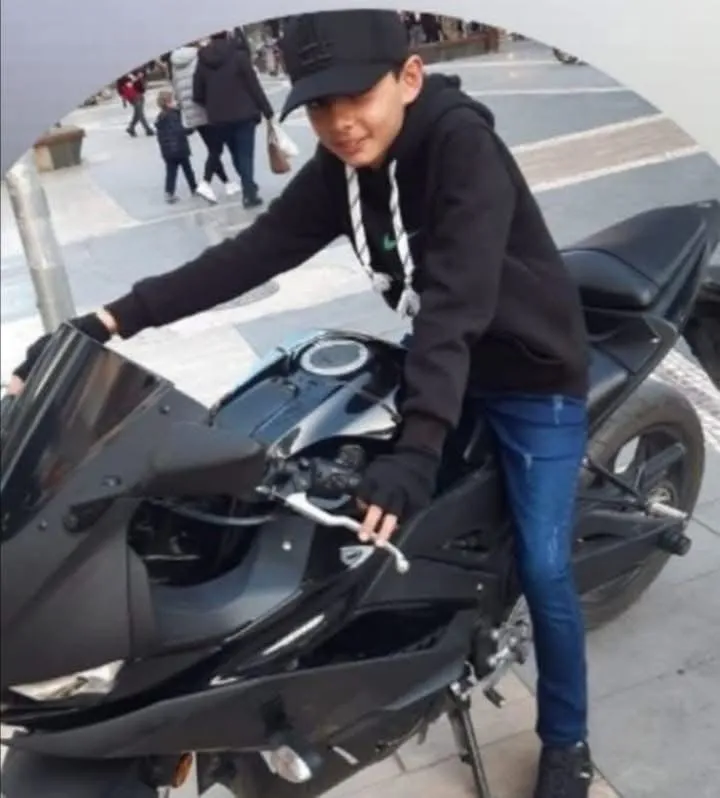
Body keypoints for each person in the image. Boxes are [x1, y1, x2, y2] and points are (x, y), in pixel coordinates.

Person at [10, 11, 592, 797]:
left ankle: (568, 740)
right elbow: (252, 253)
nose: (340, 122)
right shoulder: (344, 164)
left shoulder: (462, 145)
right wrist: (107, 322)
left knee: (547, 566)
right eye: (319, 105)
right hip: (435, 363)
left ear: (408, 78)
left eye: (356, 97)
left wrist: (418, 449)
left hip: (528, 373)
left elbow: (455, 304)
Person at [193, 31, 274, 209]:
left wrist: (211, 104)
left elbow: (197, 93)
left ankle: (249, 185)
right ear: (228, 35)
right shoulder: (239, 56)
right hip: (244, 112)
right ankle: (249, 192)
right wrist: (266, 109)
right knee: (245, 154)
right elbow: (253, 85)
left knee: (235, 153)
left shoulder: (203, 60)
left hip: (219, 117)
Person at [170, 42, 241, 204]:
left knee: (213, 149)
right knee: (216, 149)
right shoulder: (200, 57)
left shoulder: (175, 63)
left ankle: (227, 183)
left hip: (191, 112)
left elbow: (176, 88)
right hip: (206, 108)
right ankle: (206, 182)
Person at [154, 90, 197, 204]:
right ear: (168, 102)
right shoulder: (172, 115)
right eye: (172, 100)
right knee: (188, 170)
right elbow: (178, 130)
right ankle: (194, 188)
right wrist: (191, 130)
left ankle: (169, 192)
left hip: (167, 150)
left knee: (171, 172)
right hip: (178, 148)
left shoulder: (161, 116)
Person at [119, 70, 154, 137]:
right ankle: (148, 129)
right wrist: (124, 100)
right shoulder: (121, 77)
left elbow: (141, 77)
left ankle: (131, 128)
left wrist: (141, 76)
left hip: (139, 94)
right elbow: (120, 89)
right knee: (140, 113)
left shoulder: (134, 72)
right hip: (132, 96)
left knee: (138, 113)